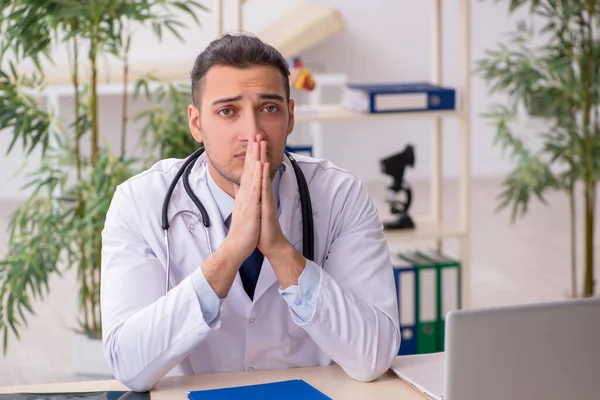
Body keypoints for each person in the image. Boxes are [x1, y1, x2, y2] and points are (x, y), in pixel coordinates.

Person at [100, 33, 401, 393]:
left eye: (269, 109)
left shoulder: (339, 194)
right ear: (196, 123)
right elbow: (129, 366)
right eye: (228, 111)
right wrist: (229, 255)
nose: (252, 132)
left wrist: (280, 251)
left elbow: (374, 356)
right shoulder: (140, 202)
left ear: (290, 116)